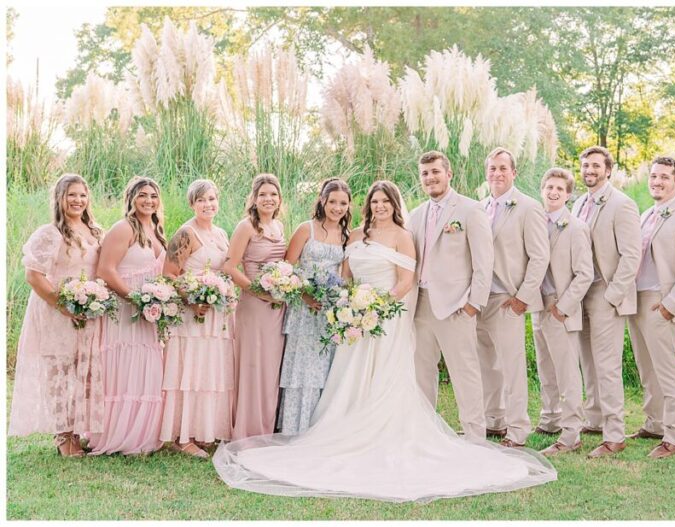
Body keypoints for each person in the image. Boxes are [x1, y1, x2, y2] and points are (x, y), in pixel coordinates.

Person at [212, 181, 556, 502]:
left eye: (385, 202)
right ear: (366, 206)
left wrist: (377, 308)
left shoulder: (404, 236)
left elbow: (406, 281)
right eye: (374, 202)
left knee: (385, 379)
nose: (379, 207)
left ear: (394, 205)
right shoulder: (357, 234)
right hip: (354, 320)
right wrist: (350, 307)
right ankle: (341, 431)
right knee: (349, 377)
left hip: (384, 319)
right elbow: (345, 276)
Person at [8, 174, 105, 457]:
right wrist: (63, 305)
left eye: (82, 195)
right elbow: (33, 276)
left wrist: (92, 301)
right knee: (59, 371)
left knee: (82, 371)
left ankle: (77, 431)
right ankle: (63, 437)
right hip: (56, 309)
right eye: (71, 195)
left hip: (87, 310)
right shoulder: (49, 233)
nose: (78, 200)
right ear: (60, 198)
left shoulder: (95, 231)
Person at [408, 151, 494, 441]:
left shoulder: (470, 210)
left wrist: (473, 304)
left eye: (435, 171)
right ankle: (425, 433)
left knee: (465, 372)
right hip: (420, 305)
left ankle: (475, 436)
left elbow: (484, 262)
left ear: (449, 173)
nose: (430, 177)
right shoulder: (416, 214)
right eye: (425, 174)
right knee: (422, 374)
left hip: (456, 307)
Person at [626, 156, 675, 458]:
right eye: (654, 176)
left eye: (664, 177)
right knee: (647, 368)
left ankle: (674, 436)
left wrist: (671, 306)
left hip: (661, 301)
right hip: (637, 300)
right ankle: (654, 422)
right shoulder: (647, 214)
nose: (657, 181)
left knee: (667, 371)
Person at [570, 145, 641, 458]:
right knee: (588, 360)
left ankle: (615, 434)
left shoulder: (622, 205)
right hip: (580, 292)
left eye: (596, 166)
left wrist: (613, 295)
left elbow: (631, 255)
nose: (589, 171)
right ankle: (595, 417)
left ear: (608, 170)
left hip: (605, 293)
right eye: (585, 166)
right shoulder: (577, 205)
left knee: (607, 365)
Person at [476, 147, 549, 447]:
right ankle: (494, 420)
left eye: (503, 168)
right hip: (479, 299)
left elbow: (540, 256)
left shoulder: (528, 207)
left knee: (512, 366)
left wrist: (523, 297)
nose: (497, 173)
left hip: (508, 298)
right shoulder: (478, 207)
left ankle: (518, 430)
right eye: (492, 168)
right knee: (486, 364)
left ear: (513, 172)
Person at [91, 176, 167, 455]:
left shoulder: (156, 230)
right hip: (126, 310)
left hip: (149, 312)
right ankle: (121, 434)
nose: (149, 200)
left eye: (153, 195)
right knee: (126, 368)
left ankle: (143, 433)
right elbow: (106, 270)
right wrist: (136, 300)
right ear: (131, 198)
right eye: (142, 195)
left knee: (148, 366)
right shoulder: (123, 228)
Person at [160, 179, 234, 457]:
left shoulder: (222, 233)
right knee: (189, 372)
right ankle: (183, 436)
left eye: (212, 199)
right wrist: (192, 299)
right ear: (192, 204)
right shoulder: (185, 234)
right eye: (201, 200)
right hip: (192, 315)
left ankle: (203, 431)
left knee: (208, 372)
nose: (208, 205)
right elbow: (169, 274)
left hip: (215, 316)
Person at [278, 179, 351, 435]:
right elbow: (287, 269)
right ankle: (294, 427)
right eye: (333, 202)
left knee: (325, 367)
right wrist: (306, 295)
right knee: (304, 366)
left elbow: (345, 276)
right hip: (304, 308)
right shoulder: (305, 229)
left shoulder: (346, 236)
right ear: (322, 200)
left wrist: (339, 302)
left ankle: (320, 427)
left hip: (330, 311)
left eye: (343, 203)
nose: (337, 208)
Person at [531, 168, 592, 456]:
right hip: (537, 304)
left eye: (559, 188)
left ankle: (571, 434)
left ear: (568, 194)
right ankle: (550, 419)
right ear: (542, 190)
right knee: (546, 368)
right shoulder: (535, 222)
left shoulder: (576, 227)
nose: (553, 192)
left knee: (567, 371)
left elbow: (585, 274)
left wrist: (563, 307)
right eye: (549, 187)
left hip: (559, 306)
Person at [223, 174, 288, 439]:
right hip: (253, 304)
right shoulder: (246, 226)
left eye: (273, 194)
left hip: (277, 308)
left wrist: (283, 289)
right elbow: (229, 266)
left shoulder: (280, 227)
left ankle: (267, 426)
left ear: (279, 199)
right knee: (253, 365)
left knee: (271, 367)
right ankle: (249, 429)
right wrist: (259, 292)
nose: (268, 199)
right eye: (263, 194)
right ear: (254, 198)